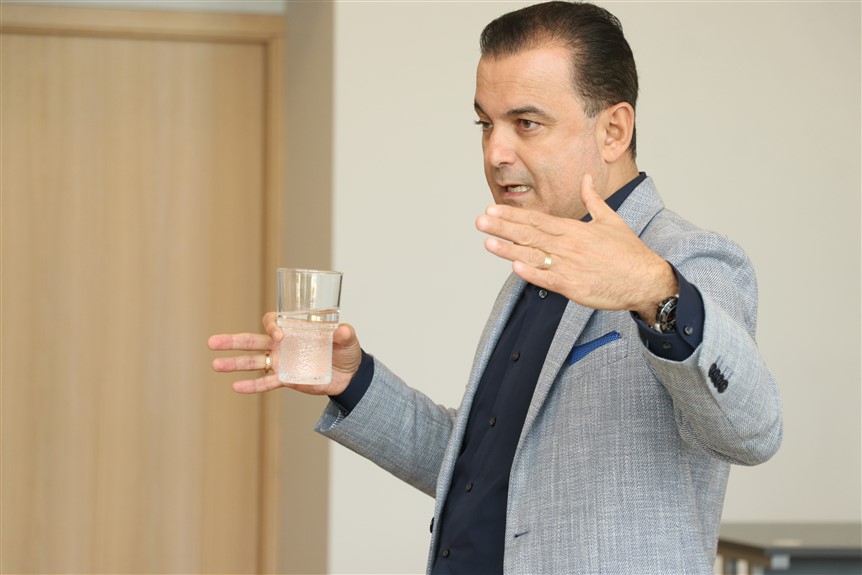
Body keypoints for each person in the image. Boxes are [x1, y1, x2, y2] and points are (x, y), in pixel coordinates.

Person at [208, 2, 783, 573]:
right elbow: (482, 472)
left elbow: (753, 431)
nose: (495, 153)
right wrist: (354, 382)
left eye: (526, 123)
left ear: (613, 130)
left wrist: (656, 291)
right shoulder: (533, 270)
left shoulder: (685, 261)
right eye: (486, 124)